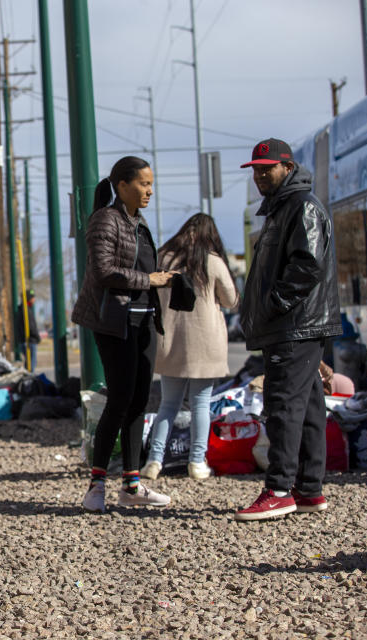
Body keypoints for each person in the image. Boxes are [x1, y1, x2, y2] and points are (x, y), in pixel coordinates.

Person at [234, 138, 341, 521]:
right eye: (257, 170)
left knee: (282, 405)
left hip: (293, 325)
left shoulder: (300, 207)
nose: (261, 175)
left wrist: (273, 306)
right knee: (309, 407)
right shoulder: (283, 208)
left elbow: (306, 265)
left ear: (288, 167)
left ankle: (279, 488)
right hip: (295, 324)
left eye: (268, 168)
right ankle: (309, 489)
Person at [71, 156, 174, 513]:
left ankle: (131, 484)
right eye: (143, 183)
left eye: (151, 183)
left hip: (145, 322)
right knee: (119, 398)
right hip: (114, 323)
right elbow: (102, 271)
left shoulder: (139, 223)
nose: (149, 190)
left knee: (139, 401)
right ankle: (96, 485)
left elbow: (144, 268)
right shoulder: (105, 219)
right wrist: (149, 280)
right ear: (122, 185)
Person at [140, 214, 239, 481]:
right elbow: (231, 300)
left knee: (168, 405)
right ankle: (196, 461)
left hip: (171, 342)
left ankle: (154, 461)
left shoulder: (164, 258)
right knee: (200, 404)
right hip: (205, 343)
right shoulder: (212, 260)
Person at [15, 290, 41, 370]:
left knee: (28, 364)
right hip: (29, 341)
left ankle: (28, 379)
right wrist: (37, 337)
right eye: (33, 298)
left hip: (25, 341)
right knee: (31, 365)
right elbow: (31, 327)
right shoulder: (26, 310)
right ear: (29, 299)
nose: (34, 300)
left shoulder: (22, 309)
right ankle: (29, 381)